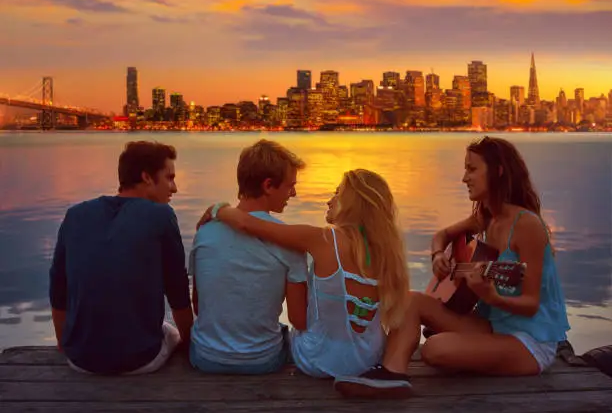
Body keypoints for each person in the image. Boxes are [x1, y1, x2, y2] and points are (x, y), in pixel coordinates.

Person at [335, 136, 570, 398]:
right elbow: (442, 236)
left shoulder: (527, 226)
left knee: (434, 349)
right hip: (492, 327)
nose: (464, 178)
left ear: (498, 171)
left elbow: (531, 304)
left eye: (472, 169)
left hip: (530, 342)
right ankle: (392, 374)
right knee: (411, 300)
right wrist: (438, 256)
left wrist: (490, 296)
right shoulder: (485, 217)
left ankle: (471, 355)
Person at [200, 168, 412, 390]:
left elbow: (249, 225)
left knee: (289, 331)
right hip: (368, 360)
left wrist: (218, 209)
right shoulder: (388, 253)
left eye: (338, 194)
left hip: (319, 361)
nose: (329, 201)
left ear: (352, 202)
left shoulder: (322, 239)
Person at [49, 141, 193, 375]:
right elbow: (177, 292)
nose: (174, 187)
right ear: (147, 177)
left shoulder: (75, 214)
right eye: (169, 178)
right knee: (172, 333)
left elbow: (58, 288)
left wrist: (63, 343)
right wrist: (189, 344)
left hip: (80, 361)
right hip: (140, 361)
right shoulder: (161, 215)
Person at [189, 139, 308, 374]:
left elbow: (198, 305)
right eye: (289, 186)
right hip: (262, 361)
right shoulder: (289, 242)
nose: (293, 193)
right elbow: (299, 320)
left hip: (205, 357)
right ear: (268, 185)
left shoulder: (204, 231)